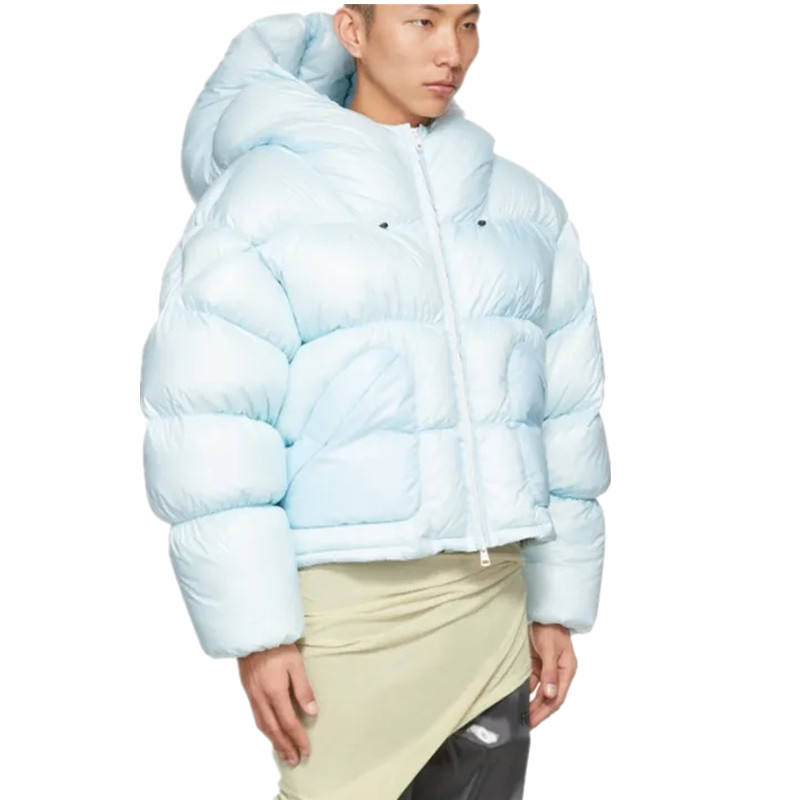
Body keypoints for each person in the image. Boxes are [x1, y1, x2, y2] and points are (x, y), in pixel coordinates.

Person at [138, 5, 611, 799]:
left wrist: (556, 602)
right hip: (343, 620)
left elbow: (565, 417)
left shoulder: (527, 210)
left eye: (468, 23)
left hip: (491, 606)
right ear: (352, 33)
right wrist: (258, 631)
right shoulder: (262, 202)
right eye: (422, 21)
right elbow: (211, 425)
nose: (451, 50)